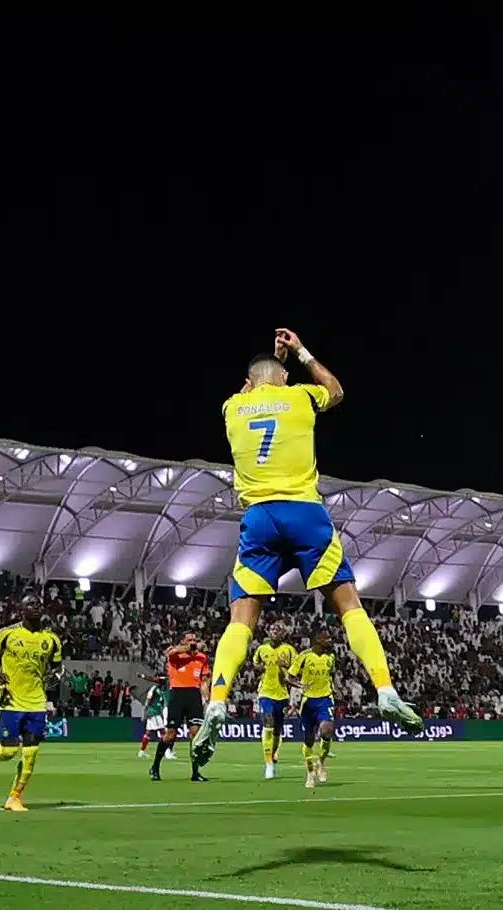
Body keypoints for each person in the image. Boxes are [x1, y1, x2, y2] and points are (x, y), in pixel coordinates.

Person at [193, 329, 423, 765]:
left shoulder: (232, 408)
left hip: (258, 518)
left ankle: (218, 700)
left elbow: (252, 384)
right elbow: (335, 391)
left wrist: (268, 368)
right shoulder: (299, 397)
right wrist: (299, 352)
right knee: (349, 605)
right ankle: (385, 689)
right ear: (282, 376)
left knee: (241, 618)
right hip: (304, 512)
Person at [0, 596, 64, 812]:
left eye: (38, 604)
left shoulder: (51, 639)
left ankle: (14, 797)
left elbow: (58, 668)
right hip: (11, 701)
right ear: (21, 610)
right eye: (31, 604)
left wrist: (53, 678)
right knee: (9, 752)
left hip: (36, 703)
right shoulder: (7, 634)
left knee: (31, 752)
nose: (36, 607)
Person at [151, 632, 208, 782]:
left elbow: (204, 681)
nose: (193, 642)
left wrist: (208, 697)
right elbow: (171, 652)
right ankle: (155, 766)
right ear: (183, 642)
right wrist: (193, 646)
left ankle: (195, 772)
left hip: (194, 695)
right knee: (171, 734)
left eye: (195, 640)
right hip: (177, 695)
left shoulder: (202, 658)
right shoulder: (175, 653)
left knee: (196, 734)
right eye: (189, 640)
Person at [288, 631, 336, 789]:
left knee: (327, 730)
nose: (330, 641)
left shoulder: (330, 657)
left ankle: (321, 763)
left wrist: (335, 689)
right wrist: (300, 686)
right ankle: (310, 773)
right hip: (308, 701)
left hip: (325, 699)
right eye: (327, 638)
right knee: (309, 739)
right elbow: (289, 677)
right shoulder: (304, 656)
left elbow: (332, 675)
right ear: (318, 640)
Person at [253, 625, 298, 779]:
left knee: (277, 729)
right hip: (265, 693)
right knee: (268, 724)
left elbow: (297, 668)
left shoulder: (289, 650)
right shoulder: (261, 649)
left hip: (283, 694)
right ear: (269, 632)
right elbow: (256, 664)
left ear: (283, 634)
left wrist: (285, 665)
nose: (276, 633)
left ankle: (273, 755)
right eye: (273, 630)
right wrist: (259, 667)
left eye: (279, 631)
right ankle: (268, 764)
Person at [138, 674, 168, 759]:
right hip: (153, 712)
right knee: (163, 732)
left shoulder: (161, 690)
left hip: (156, 712)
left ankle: (142, 752)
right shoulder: (154, 689)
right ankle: (165, 752)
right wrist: (144, 713)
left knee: (148, 733)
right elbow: (147, 701)